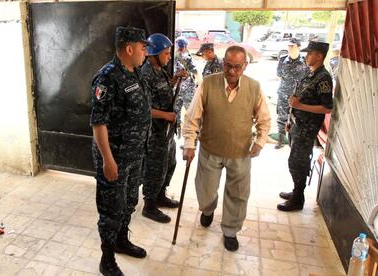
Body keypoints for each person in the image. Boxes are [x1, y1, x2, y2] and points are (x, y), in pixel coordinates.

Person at [182, 45, 271, 251]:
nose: (232, 71)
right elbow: (192, 117)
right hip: (210, 149)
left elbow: (264, 119)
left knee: (238, 194)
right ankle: (207, 209)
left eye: (237, 67)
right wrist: (189, 143)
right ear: (223, 63)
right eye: (228, 66)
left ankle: (230, 230)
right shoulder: (208, 83)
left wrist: (259, 142)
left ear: (245, 66)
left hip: (240, 152)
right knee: (205, 190)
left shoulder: (254, 87)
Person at [91, 26, 151, 276]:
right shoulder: (107, 77)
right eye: (143, 47)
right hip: (115, 157)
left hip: (135, 155)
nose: (146, 52)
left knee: (129, 202)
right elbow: (98, 123)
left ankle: (121, 241)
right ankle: (107, 259)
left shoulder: (134, 72)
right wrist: (108, 160)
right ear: (129, 48)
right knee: (111, 209)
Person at [277, 41, 333, 212]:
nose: (307, 56)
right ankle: (296, 191)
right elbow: (297, 98)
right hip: (297, 125)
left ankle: (298, 198)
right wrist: (290, 121)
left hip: (307, 128)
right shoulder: (310, 74)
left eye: (310, 53)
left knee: (298, 162)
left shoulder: (323, 78)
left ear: (319, 55)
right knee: (295, 161)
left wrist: (300, 107)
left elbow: (327, 107)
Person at [141, 33, 188, 223]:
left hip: (166, 131)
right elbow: (143, 108)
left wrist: (175, 79)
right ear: (154, 54)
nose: (169, 57)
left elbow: (164, 91)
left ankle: (161, 195)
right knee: (155, 168)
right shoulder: (145, 74)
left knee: (169, 164)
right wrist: (166, 115)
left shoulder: (159, 70)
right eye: (166, 53)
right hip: (155, 131)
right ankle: (149, 205)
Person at [275, 38, 310, 149]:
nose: (290, 48)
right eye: (289, 46)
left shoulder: (305, 61)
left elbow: (308, 78)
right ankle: (280, 141)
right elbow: (279, 74)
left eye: (293, 46)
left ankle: (295, 142)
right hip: (284, 93)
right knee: (282, 118)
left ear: (299, 47)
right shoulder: (282, 59)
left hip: (299, 96)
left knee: (298, 119)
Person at [174, 36, 198, 111]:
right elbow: (195, 71)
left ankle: (177, 123)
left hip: (176, 87)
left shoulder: (171, 56)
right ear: (184, 46)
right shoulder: (188, 57)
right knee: (191, 110)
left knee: (176, 111)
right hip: (188, 88)